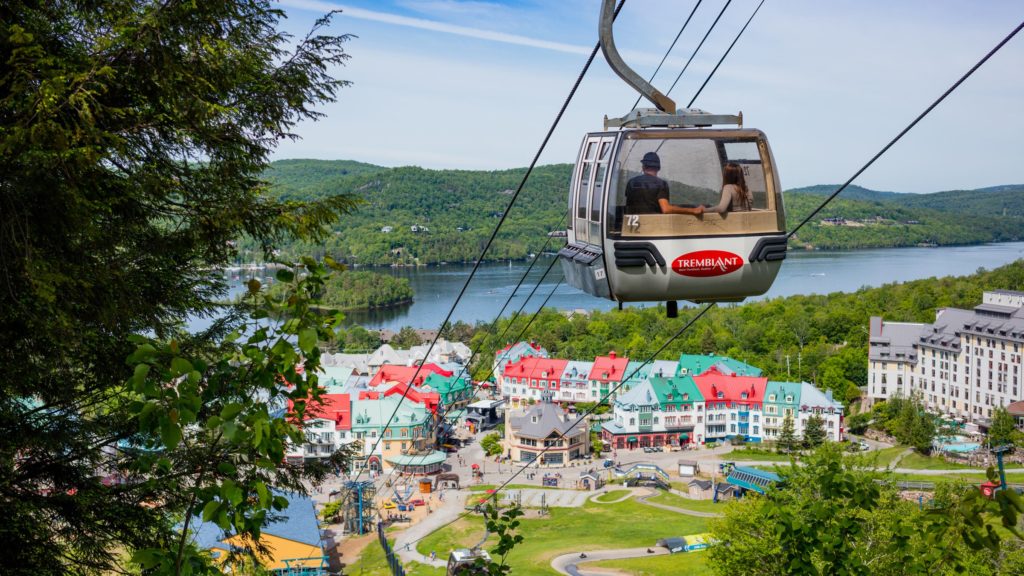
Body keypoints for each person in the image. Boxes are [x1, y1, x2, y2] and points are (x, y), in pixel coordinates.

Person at [624, 152, 703, 216]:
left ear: (643, 167)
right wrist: (693, 210)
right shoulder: (661, 184)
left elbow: (628, 207)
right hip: (652, 227)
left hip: (632, 228)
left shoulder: (631, 182)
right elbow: (666, 209)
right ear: (658, 168)